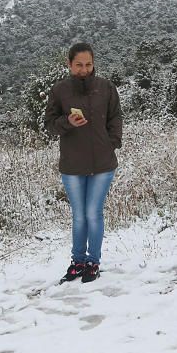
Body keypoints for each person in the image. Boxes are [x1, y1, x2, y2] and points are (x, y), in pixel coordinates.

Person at [44, 42, 123, 283]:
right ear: (69, 65)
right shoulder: (60, 90)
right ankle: (77, 262)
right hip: (72, 164)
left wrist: (112, 143)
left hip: (103, 162)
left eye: (88, 64)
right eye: (79, 65)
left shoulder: (106, 88)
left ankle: (93, 262)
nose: (84, 69)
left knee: (93, 213)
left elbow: (115, 117)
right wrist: (67, 122)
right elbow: (49, 125)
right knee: (79, 215)